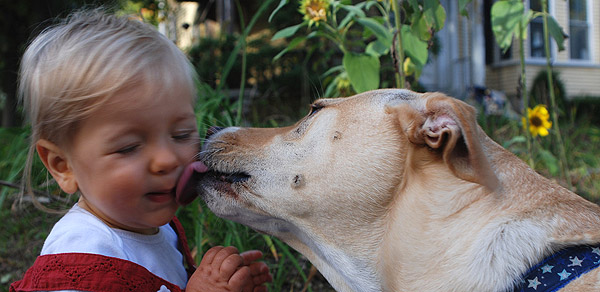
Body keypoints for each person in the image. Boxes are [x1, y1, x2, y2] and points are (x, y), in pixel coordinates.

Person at [10, 8, 271, 292]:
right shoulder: (81, 258)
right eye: (128, 147)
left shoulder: (159, 227)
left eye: (181, 134)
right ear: (63, 165)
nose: (167, 159)